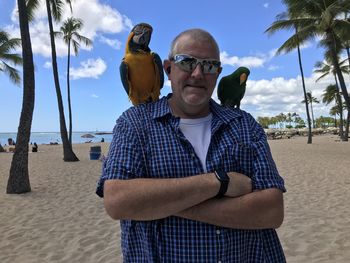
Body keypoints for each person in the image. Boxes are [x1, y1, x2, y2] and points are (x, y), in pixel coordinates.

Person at [96, 28, 286, 262]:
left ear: (218, 74)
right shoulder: (134, 123)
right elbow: (117, 202)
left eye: (208, 66)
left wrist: (160, 204)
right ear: (167, 69)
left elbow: (272, 211)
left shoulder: (244, 125)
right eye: (187, 62)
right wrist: (218, 182)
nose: (197, 74)